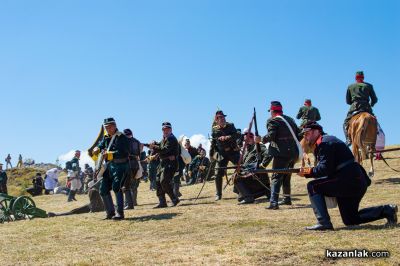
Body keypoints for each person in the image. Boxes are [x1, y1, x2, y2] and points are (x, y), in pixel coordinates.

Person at [298, 121, 397, 230]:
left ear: (316, 131)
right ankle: (387, 210)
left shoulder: (325, 143)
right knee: (351, 220)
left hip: (348, 181)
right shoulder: (325, 141)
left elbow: (325, 169)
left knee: (313, 186)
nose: (305, 136)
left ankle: (323, 223)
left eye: (307, 133)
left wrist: (307, 172)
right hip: (352, 181)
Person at [256, 101, 301, 210]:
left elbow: (271, 136)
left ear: (272, 111)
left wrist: (261, 139)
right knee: (286, 176)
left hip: (281, 153)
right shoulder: (290, 119)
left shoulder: (273, 120)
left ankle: (273, 202)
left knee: (276, 176)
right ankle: (286, 199)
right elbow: (299, 134)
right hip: (294, 153)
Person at [92, 117, 130, 220]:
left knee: (117, 187)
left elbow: (125, 152)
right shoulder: (106, 137)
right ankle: (110, 213)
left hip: (121, 165)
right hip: (109, 166)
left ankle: (120, 213)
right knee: (103, 189)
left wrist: (110, 154)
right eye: (106, 127)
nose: (108, 128)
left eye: (109, 126)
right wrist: (97, 148)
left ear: (114, 125)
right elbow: (101, 145)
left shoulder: (122, 137)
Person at [210, 110, 241, 201]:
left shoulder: (231, 125)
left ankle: (239, 190)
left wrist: (228, 137)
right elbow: (213, 143)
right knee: (218, 173)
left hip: (233, 152)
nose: (222, 119)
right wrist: (212, 155)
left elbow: (238, 135)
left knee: (241, 168)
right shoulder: (214, 129)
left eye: (223, 117)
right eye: (220, 117)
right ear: (216, 120)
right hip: (221, 154)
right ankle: (218, 194)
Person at [234, 130, 271, 204]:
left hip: (257, 175)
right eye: (245, 140)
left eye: (248, 139)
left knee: (237, 178)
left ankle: (249, 198)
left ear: (252, 138)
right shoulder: (247, 150)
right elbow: (246, 164)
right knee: (240, 197)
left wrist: (262, 165)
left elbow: (268, 155)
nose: (246, 141)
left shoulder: (259, 146)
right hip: (251, 174)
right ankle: (265, 191)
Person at [148, 122, 180, 208]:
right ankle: (162, 202)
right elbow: (159, 145)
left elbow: (163, 150)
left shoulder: (172, 139)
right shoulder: (164, 139)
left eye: (167, 129)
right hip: (163, 163)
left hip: (170, 164)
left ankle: (174, 199)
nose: (165, 131)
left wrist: (152, 146)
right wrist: (150, 144)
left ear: (171, 129)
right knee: (158, 181)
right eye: (164, 129)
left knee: (164, 181)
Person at [343, 71, 378, 145]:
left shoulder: (350, 86)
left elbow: (348, 101)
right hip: (366, 107)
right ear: (363, 77)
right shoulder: (369, 86)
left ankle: (348, 139)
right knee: (375, 122)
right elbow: (374, 99)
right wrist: (371, 105)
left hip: (354, 107)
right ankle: (376, 138)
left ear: (356, 78)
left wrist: (353, 103)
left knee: (345, 123)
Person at [122, 128, 141, 210]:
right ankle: (133, 201)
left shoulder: (125, 141)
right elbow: (139, 153)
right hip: (135, 164)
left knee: (126, 185)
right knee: (132, 184)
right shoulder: (137, 141)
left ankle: (128, 203)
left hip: (128, 163)